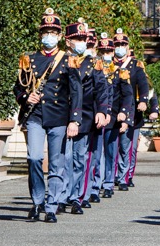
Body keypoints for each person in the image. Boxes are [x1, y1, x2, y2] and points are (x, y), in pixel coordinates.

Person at [13, 8, 82, 223]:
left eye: (53, 32)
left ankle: (51, 206)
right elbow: (18, 88)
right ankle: (37, 201)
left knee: (56, 164)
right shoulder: (29, 59)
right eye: (45, 31)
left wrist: (74, 120)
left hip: (59, 117)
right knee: (34, 158)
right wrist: (26, 96)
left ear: (60, 36)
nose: (48, 36)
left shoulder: (68, 60)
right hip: (35, 116)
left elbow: (76, 91)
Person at [62, 21, 111, 215]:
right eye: (77, 39)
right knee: (62, 159)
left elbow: (101, 88)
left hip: (85, 116)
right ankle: (60, 196)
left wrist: (102, 110)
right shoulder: (61, 60)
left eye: (83, 39)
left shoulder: (93, 62)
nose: (81, 42)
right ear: (68, 41)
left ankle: (76, 197)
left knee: (79, 159)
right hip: (61, 115)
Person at [89, 32, 134, 203]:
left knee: (110, 152)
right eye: (103, 52)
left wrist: (124, 113)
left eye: (109, 52)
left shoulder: (120, 72)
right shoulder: (95, 69)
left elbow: (127, 95)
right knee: (96, 153)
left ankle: (108, 184)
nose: (106, 55)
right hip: (98, 118)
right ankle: (94, 186)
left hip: (114, 118)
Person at [112, 30, 151, 191]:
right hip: (112, 110)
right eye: (117, 45)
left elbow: (143, 86)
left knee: (127, 146)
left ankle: (124, 177)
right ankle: (110, 175)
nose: (120, 47)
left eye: (123, 44)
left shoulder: (135, 65)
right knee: (112, 145)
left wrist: (143, 101)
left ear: (128, 47)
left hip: (132, 112)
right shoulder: (108, 64)